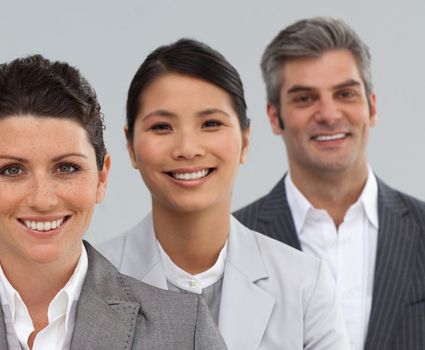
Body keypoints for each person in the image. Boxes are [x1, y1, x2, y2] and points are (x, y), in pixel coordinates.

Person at [0, 55, 226, 350]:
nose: (42, 198)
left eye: (66, 167)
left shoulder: (183, 331)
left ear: (101, 176)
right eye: (12, 170)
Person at [97, 39, 349, 349]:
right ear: (130, 145)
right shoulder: (89, 279)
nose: (187, 149)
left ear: (245, 139)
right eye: (162, 127)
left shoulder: (304, 284)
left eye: (211, 123)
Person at [234, 17, 425, 350]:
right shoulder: (230, 246)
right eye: (305, 99)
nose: (329, 113)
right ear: (274, 117)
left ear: (372, 106)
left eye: (345, 94)